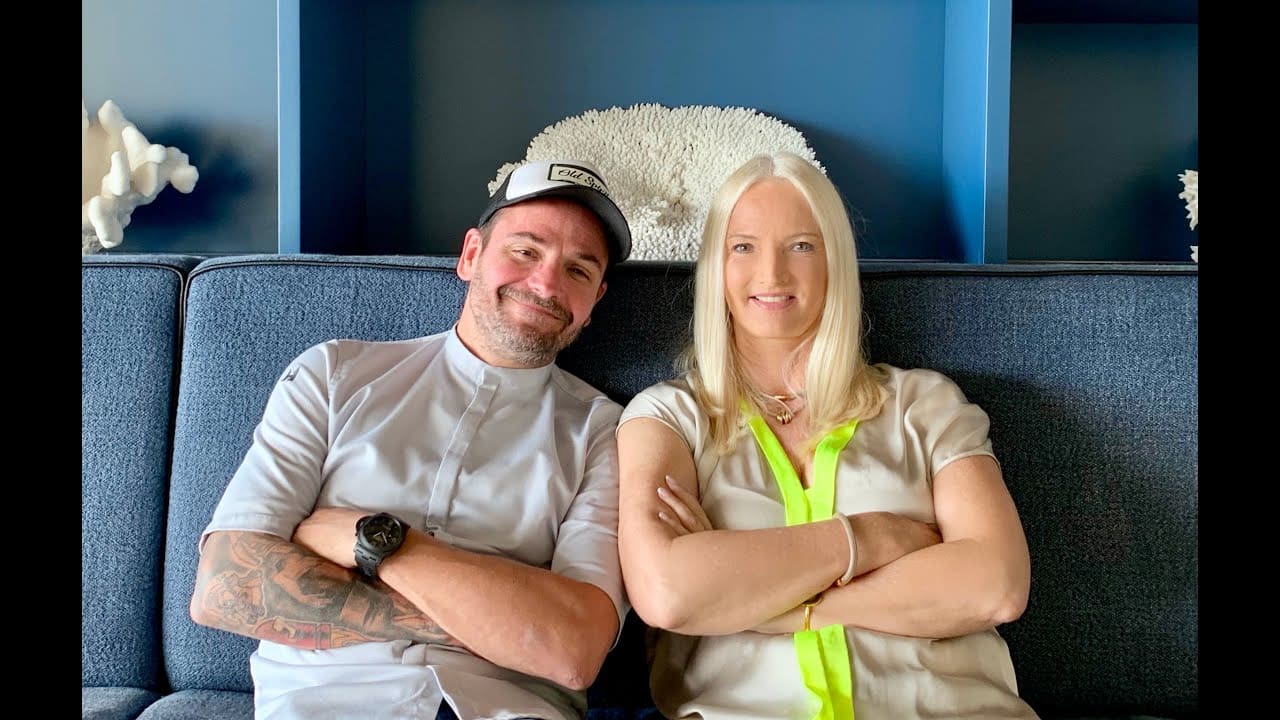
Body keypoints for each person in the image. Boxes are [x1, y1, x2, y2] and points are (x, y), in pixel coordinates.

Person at [190, 159, 633, 720]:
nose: (546, 284)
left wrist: (376, 542)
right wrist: (502, 624)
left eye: (578, 270)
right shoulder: (333, 375)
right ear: (471, 255)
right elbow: (226, 587)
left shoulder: (608, 433)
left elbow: (572, 651)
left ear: (595, 302)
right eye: (525, 251)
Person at [616, 152, 1040, 719]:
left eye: (801, 246)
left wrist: (781, 609)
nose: (772, 274)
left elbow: (997, 585)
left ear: (834, 260)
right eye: (743, 247)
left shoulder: (925, 405)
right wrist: (872, 538)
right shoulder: (667, 417)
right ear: (716, 266)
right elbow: (668, 592)